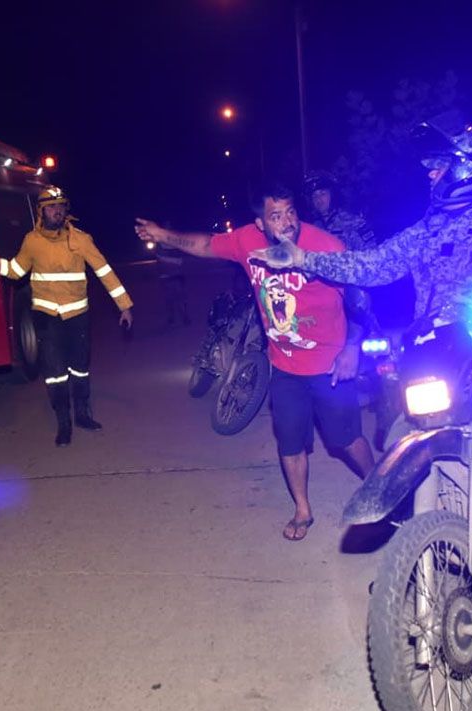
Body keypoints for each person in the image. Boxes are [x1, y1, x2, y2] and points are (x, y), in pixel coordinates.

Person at [256, 115, 472, 580]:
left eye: (438, 165)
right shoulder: (428, 228)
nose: (429, 174)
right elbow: (374, 263)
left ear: (468, 167)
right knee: (400, 429)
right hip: (436, 347)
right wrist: (302, 259)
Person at [135, 185, 376, 541]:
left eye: (291, 211)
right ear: (260, 223)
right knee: (290, 442)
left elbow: (360, 295)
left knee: (345, 438)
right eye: (276, 216)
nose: (287, 222)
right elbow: (204, 245)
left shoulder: (324, 245)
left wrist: (352, 348)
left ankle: (378, 486)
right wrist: (162, 235)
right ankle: (303, 509)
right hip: (284, 367)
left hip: (329, 366)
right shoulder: (247, 241)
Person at [1, 186, 134, 446]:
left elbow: (104, 271)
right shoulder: (32, 241)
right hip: (47, 316)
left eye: (61, 206)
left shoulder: (81, 239)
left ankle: (83, 414)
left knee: (80, 369)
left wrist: (124, 305)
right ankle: (64, 423)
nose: (57, 211)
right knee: (54, 372)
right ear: (41, 211)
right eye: (51, 207)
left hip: (77, 315)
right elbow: (17, 271)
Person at [303, 170, 376, 251]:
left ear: (333, 195)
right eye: (314, 196)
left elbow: (370, 253)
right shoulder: (313, 227)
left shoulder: (354, 223)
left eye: (322, 193)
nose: (318, 199)